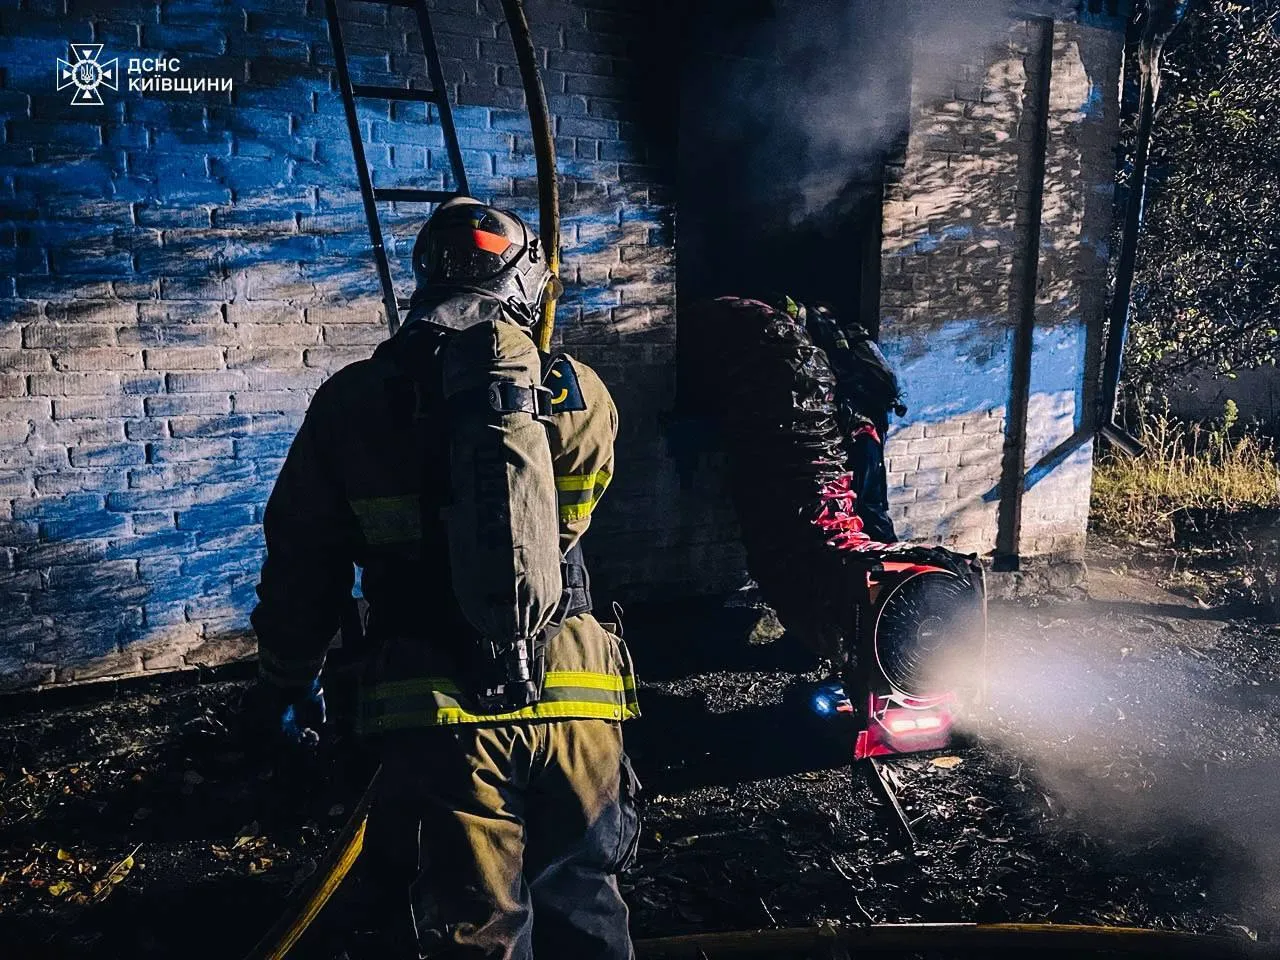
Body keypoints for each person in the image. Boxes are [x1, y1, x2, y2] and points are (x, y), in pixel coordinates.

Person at [250, 197, 641, 960]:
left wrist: (288, 679)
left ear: (425, 279)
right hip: (580, 708)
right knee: (588, 905)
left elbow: (305, 563)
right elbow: (569, 524)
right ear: (525, 281)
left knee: (480, 932)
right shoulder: (583, 392)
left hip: (438, 716)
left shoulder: (351, 402)